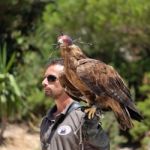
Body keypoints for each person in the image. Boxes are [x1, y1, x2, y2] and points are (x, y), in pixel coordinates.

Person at [40, 58, 110, 150]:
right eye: (44, 78)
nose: (44, 82)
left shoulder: (83, 117)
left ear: (68, 82)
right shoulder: (46, 121)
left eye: (51, 78)